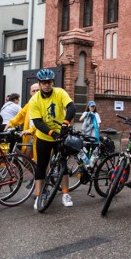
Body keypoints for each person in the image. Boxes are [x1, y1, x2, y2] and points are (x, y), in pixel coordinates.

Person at [29, 68, 77, 209]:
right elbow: (37, 122)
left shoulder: (60, 92)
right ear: (39, 83)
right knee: (41, 166)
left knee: (63, 164)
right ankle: (39, 195)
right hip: (44, 136)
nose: (47, 85)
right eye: (44, 83)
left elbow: (71, 107)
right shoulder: (34, 100)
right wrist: (51, 133)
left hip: (60, 135)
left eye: (49, 82)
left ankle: (65, 194)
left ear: (52, 82)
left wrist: (65, 124)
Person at [5, 84, 40, 158]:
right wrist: (11, 123)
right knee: (26, 158)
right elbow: (21, 114)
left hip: (41, 134)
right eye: (33, 91)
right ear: (30, 93)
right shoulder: (30, 103)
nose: (36, 92)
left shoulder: (43, 102)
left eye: (38, 90)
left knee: (41, 159)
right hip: (32, 135)